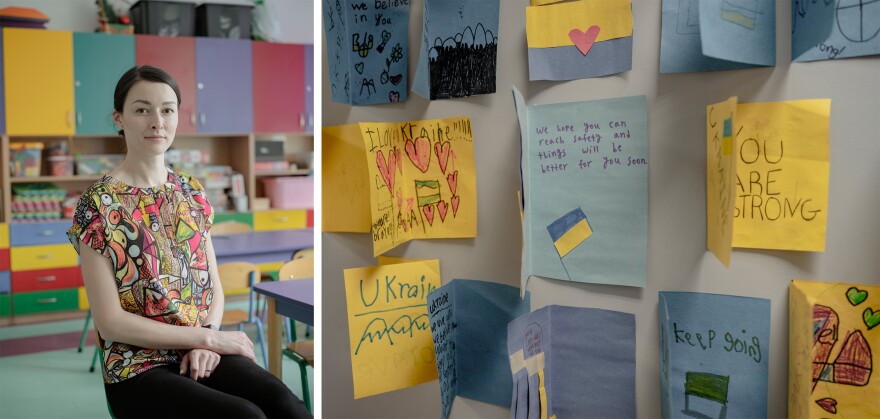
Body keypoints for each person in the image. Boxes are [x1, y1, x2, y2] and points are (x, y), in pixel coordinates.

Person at [67, 65, 311, 419]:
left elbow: (213, 286)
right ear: (119, 118)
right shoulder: (96, 205)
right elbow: (111, 323)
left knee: (287, 406)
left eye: (167, 110)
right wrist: (207, 338)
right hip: (137, 367)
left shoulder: (191, 191)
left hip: (200, 349)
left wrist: (208, 335)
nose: (157, 122)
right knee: (245, 416)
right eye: (142, 110)